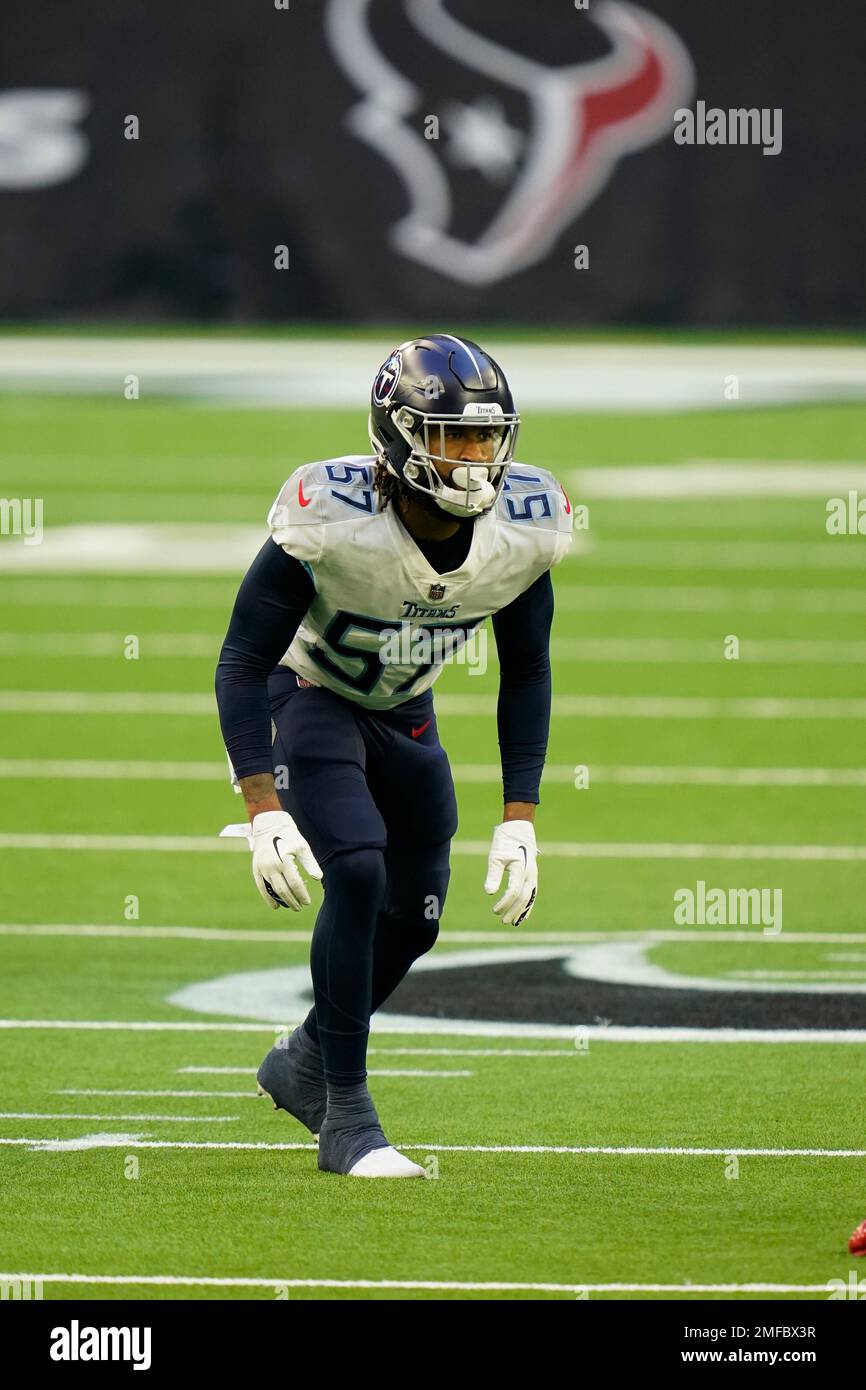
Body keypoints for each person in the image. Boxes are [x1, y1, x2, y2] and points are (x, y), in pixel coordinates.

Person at [215, 333, 573, 1177]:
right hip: (307, 695)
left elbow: (526, 669)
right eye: (451, 437)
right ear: (397, 436)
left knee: (416, 916)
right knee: (361, 870)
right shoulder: (330, 514)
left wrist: (519, 819)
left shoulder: (524, 527)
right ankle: (346, 1118)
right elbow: (240, 659)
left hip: (405, 711)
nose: (474, 459)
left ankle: (304, 1057)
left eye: (486, 437)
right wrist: (261, 805)